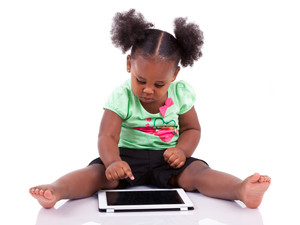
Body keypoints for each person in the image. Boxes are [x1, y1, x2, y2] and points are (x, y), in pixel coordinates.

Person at [29, 9, 271, 209]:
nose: (148, 90)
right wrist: (112, 162)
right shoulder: (121, 96)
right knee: (95, 174)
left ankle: (241, 189)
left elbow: (192, 128)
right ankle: (58, 189)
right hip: (125, 157)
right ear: (128, 65)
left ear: (175, 74)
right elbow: (107, 136)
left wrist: (182, 151)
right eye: (141, 80)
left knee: (198, 173)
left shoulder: (181, 94)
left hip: (168, 158)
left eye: (159, 84)